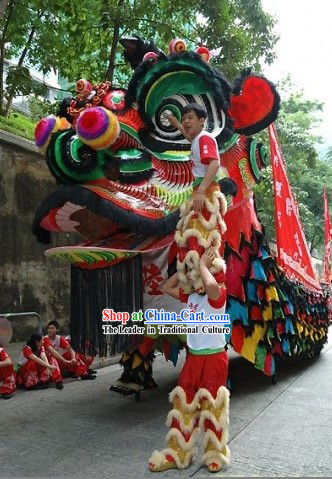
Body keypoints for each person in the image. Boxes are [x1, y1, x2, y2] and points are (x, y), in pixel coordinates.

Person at [148, 249, 230, 473]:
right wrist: (183, 269)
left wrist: (203, 265)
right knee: (183, 403)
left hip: (214, 359)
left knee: (212, 406)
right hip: (193, 359)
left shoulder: (218, 296)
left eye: (202, 275)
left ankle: (214, 453)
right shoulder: (191, 297)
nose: (199, 281)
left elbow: (211, 286)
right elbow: (166, 287)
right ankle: (177, 452)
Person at [167, 105, 227, 295]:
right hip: (200, 190)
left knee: (201, 235)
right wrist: (178, 126)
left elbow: (215, 163)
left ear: (202, 121)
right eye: (184, 117)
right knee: (194, 235)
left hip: (205, 191)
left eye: (190, 117)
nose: (186, 121)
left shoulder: (205, 138)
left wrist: (201, 191)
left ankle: (205, 284)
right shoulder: (198, 139)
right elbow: (191, 138)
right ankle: (198, 282)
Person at [43, 321, 96, 389]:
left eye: (52, 328)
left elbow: (70, 348)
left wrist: (73, 358)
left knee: (73, 355)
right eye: (49, 328)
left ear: (57, 329)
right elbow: (53, 352)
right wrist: (64, 360)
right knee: (52, 360)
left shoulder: (59, 338)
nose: (50, 330)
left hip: (58, 361)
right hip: (47, 363)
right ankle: (58, 381)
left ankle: (83, 373)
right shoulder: (45, 339)